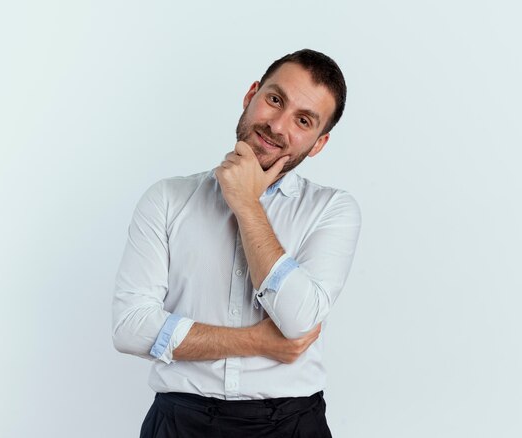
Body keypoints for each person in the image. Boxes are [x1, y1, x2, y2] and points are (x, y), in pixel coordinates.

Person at [112, 48, 361, 437]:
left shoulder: (332, 210)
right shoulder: (167, 199)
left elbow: (296, 322)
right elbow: (130, 328)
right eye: (275, 100)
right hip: (178, 423)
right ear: (251, 95)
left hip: (291, 425)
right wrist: (257, 342)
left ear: (318, 143)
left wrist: (247, 204)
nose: (278, 126)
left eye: (303, 120)